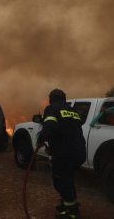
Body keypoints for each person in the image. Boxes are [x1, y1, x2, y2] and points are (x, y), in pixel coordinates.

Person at [37, 89, 86, 219]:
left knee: (60, 180)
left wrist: (40, 139)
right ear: (64, 98)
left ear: (51, 99)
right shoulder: (73, 110)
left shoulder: (52, 108)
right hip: (79, 152)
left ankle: (71, 213)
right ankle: (69, 204)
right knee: (67, 178)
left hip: (64, 154)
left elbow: (50, 127)